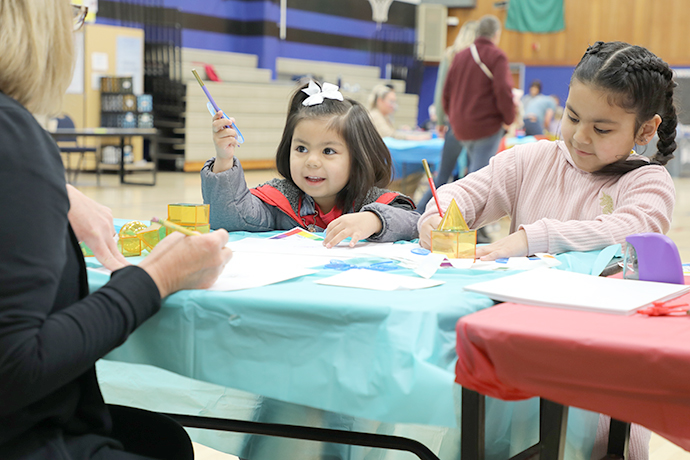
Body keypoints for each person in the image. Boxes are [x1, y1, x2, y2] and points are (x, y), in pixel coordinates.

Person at [419, 40, 677, 458]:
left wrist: (530, 238)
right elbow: (462, 195)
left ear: (645, 130)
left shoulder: (646, 183)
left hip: (594, 380)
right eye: (572, 116)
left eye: (603, 127)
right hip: (516, 366)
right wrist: (437, 216)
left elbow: (628, 227)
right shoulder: (530, 161)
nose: (579, 136)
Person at [0, 2, 234, 459]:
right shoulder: (13, 133)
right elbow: (15, 367)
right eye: (75, 13)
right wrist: (156, 278)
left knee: (167, 439)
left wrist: (58, 189)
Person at [201, 80, 420, 247]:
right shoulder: (281, 201)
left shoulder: (371, 200)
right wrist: (224, 158)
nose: (312, 161)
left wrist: (373, 220)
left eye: (328, 151)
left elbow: (413, 222)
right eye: (301, 149)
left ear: (357, 157)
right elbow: (229, 218)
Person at [441, 15, 515, 242]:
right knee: (478, 180)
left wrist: (453, 118)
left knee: (469, 176)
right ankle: (471, 230)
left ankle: (470, 226)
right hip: (485, 126)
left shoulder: (461, 55)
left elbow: (447, 92)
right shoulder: (496, 55)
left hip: (461, 127)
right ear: (496, 34)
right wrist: (509, 118)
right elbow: (503, 90)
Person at [416, 19, 478, 213]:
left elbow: (442, 90)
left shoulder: (451, 55)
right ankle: (473, 226)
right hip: (477, 125)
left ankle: (416, 214)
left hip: (456, 123)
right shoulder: (481, 57)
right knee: (475, 179)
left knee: (442, 177)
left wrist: (441, 120)